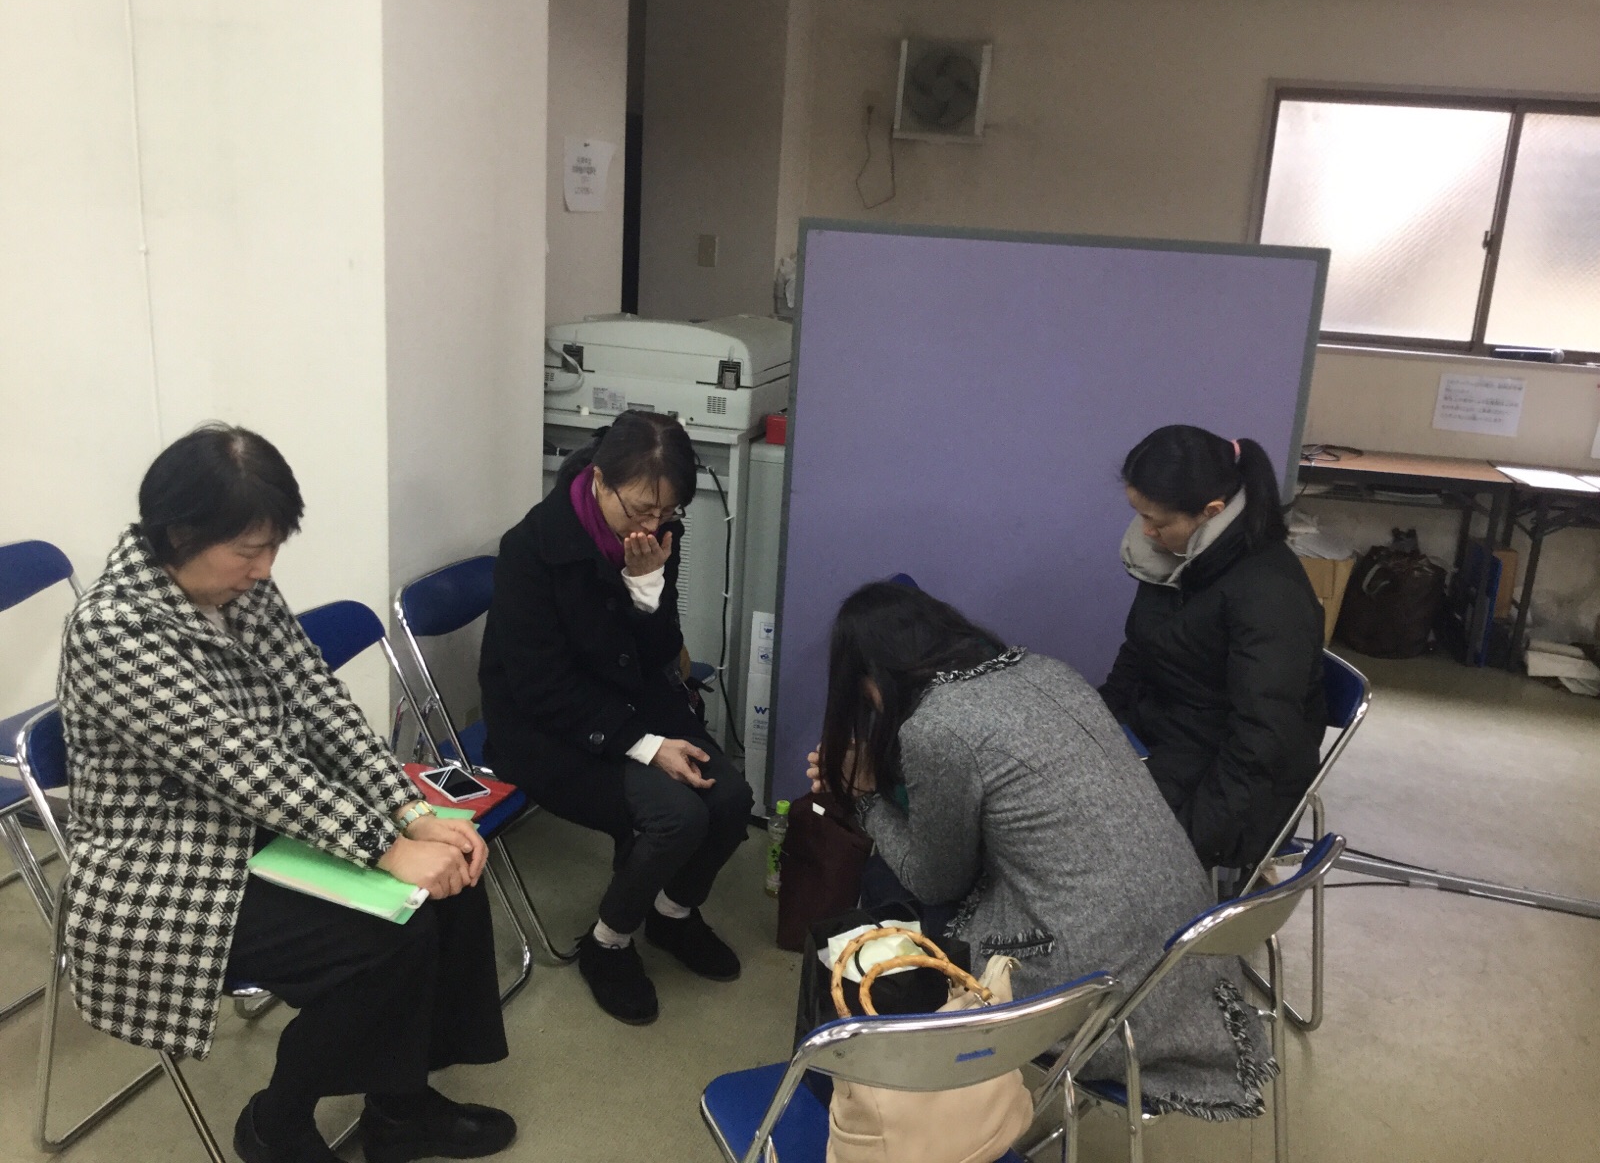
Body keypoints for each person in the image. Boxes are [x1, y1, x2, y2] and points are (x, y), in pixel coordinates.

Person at [56, 425, 515, 1163]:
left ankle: (399, 1106)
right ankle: (277, 1121)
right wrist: (383, 845)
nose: (264, 568)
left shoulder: (241, 591)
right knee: (384, 943)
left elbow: (316, 700)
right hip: (168, 866)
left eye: (272, 548)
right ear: (181, 534)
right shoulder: (113, 628)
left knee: (452, 882)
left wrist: (411, 813)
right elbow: (237, 761)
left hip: (267, 823)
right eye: (249, 550)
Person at [809, 581, 1275, 1116]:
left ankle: (900, 1090)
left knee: (888, 887)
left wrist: (865, 796)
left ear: (872, 680)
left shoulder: (936, 727)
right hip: (1186, 954)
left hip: (1098, 985)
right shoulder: (1048, 671)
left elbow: (936, 880)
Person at [479, 411, 753, 1027]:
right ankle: (607, 944)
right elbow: (540, 686)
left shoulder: (655, 537)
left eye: (668, 512)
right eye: (640, 510)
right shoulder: (531, 549)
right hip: (546, 729)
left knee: (731, 797)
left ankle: (672, 916)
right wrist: (646, 745)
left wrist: (647, 587)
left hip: (634, 703)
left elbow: (659, 655)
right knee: (677, 816)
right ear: (600, 480)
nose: (652, 526)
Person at [1101, 425, 1327, 874]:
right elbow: (1139, 652)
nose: (1146, 532)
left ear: (1211, 512)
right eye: (1139, 515)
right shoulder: (1179, 557)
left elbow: (1263, 741)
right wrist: (1092, 726)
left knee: (1079, 842)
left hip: (1233, 784)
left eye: (1158, 522)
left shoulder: (1269, 594)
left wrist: (1189, 840)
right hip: (1170, 736)